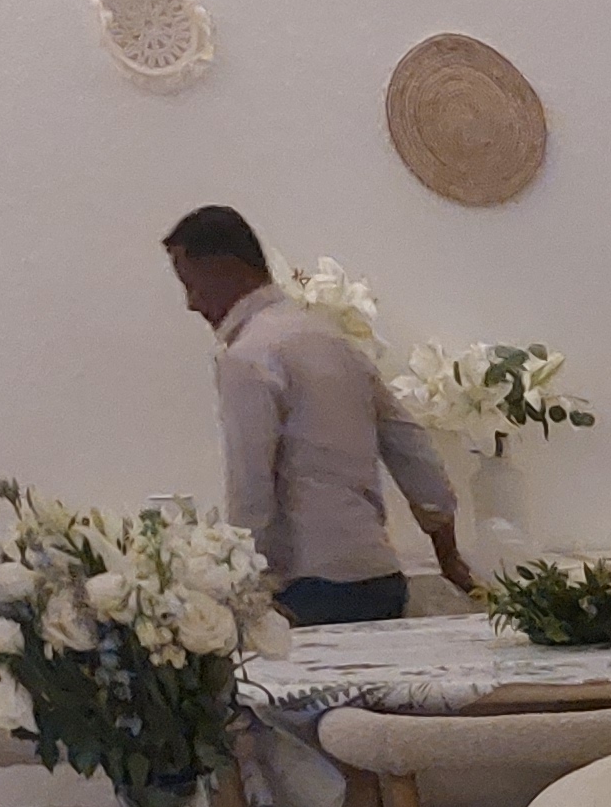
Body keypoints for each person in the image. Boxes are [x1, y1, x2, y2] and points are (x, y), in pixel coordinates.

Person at [160, 204, 474, 627]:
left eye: (192, 284)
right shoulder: (334, 339)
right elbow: (410, 446)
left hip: (305, 586)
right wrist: (449, 557)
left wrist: (245, 591)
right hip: (380, 578)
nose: (191, 304)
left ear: (225, 268)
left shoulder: (248, 356)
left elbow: (251, 486)